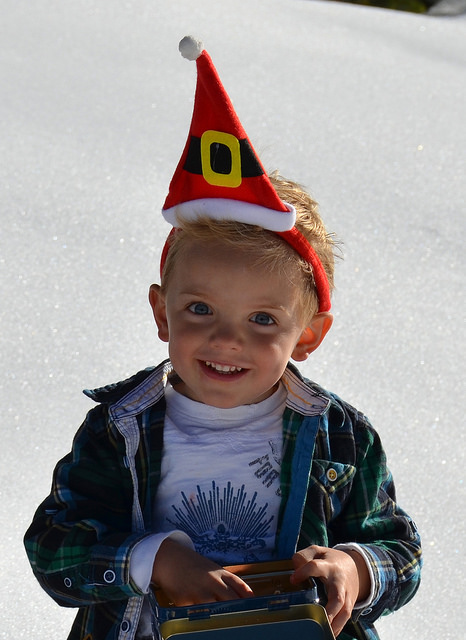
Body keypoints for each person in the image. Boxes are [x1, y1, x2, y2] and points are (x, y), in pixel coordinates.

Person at [24, 37, 422, 640]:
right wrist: (149, 560)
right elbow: (54, 547)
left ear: (308, 335)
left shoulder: (340, 436)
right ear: (161, 312)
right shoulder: (120, 430)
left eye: (263, 320)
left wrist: (355, 568)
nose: (226, 339)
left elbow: (399, 549)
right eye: (200, 307)